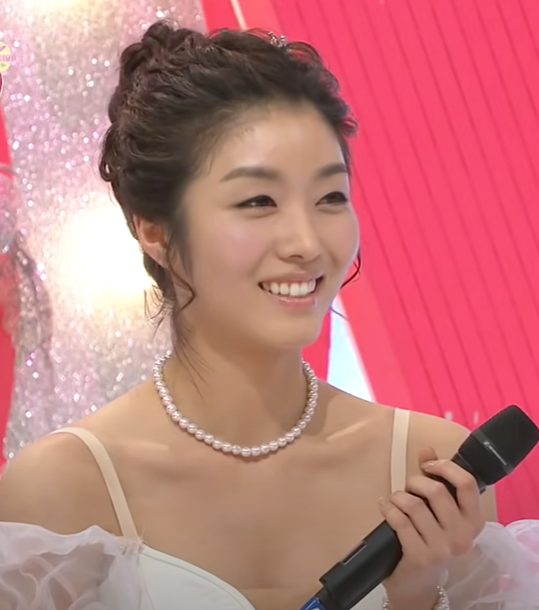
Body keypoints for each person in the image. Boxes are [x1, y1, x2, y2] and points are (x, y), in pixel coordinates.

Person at [0, 19, 537, 610]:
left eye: (330, 197)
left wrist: (417, 593)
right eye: (258, 201)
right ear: (155, 230)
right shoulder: (61, 490)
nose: (306, 242)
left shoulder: (429, 467)